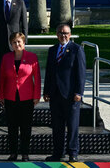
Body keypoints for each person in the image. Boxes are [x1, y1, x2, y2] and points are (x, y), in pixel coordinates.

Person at [44, 23, 86, 162]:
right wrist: (46, 91)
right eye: (61, 33)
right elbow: (49, 72)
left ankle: (73, 153)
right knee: (57, 126)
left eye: (66, 33)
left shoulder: (76, 49)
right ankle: (58, 153)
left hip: (71, 95)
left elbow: (81, 73)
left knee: (72, 126)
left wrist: (79, 92)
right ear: (57, 34)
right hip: (55, 94)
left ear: (70, 34)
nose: (63, 35)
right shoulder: (52, 50)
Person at [0, 32, 41, 161]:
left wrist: (36, 96)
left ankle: (25, 153)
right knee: (12, 127)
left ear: (24, 43)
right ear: (11, 44)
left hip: (27, 97)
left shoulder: (32, 57)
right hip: (10, 96)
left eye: (19, 42)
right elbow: (2, 78)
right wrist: (1, 95)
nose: (17, 44)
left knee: (25, 127)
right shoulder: (6, 58)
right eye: (14, 42)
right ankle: (13, 153)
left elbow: (37, 78)